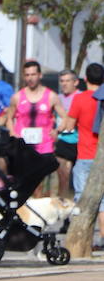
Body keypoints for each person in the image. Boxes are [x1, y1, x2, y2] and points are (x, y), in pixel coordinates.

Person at [3, 59, 71, 200]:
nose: (30, 78)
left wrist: (57, 131)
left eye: (33, 74)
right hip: (23, 147)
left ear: (40, 75)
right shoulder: (17, 97)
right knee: (23, 185)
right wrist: (12, 133)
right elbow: (9, 118)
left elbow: (65, 117)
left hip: (44, 147)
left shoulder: (51, 96)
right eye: (27, 75)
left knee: (41, 184)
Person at [67, 63, 104, 249]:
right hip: (101, 157)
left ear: (85, 79)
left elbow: (69, 124)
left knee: (82, 198)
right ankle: (103, 239)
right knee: (103, 201)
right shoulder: (102, 100)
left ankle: (82, 241)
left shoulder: (80, 99)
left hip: (85, 155)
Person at [56, 69, 81, 201]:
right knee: (63, 179)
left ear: (76, 82)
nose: (64, 84)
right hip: (63, 141)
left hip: (80, 142)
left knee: (78, 180)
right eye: (62, 81)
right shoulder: (57, 98)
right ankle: (64, 211)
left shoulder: (81, 96)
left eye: (68, 81)